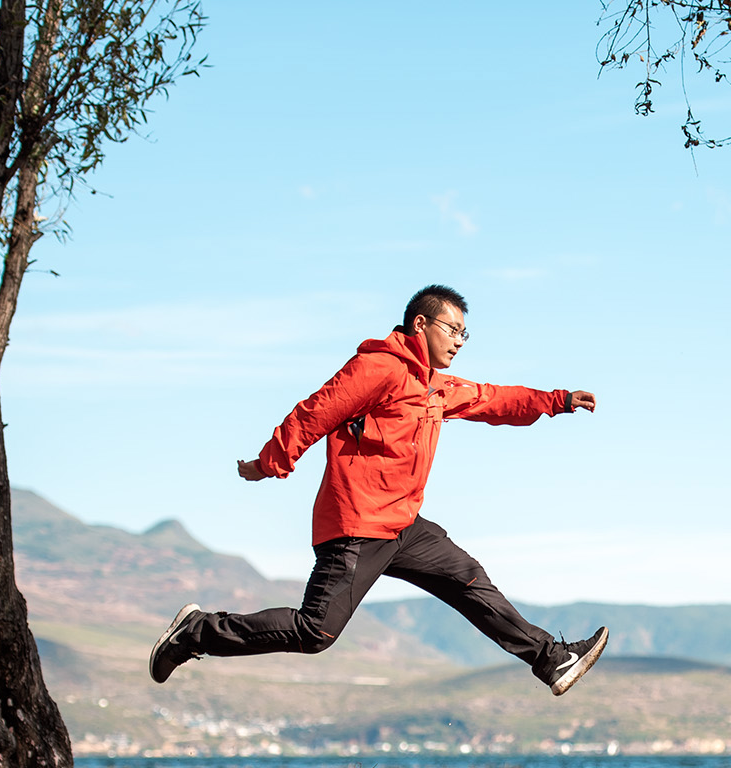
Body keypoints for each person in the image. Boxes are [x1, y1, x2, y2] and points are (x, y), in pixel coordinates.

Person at [149, 285, 608, 695]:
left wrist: (556, 401)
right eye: (452, 329)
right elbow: (316, 412)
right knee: (315, 632)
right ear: (420, 323)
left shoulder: (434, 386)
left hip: (403, 525)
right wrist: (272, 461)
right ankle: (196, 632)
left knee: (468, 579)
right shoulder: (378, 368)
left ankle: (550, 659)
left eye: (465, 335)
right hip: (358, 526)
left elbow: (491, 398)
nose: (458, 341)